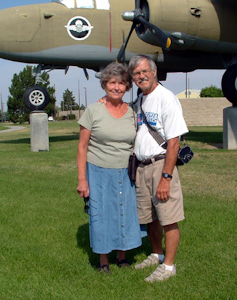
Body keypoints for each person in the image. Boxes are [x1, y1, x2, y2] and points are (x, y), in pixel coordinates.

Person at [76, 62, 142, 274]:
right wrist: (82, 180)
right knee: (101, 215)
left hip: (125, 172)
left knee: (123, 212)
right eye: (112, 83)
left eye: (121, 83)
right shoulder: (93, 110)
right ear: (105, 85)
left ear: (127, 86)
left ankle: (122, 256)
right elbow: (82, 147)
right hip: (97, 171)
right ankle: (103, 260)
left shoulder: (132, 112)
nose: (116, 87)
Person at [129, 55, 189, 282]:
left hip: (161, 165)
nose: (141, 76)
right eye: (136, 73)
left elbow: (174, 142)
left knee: (168, 218)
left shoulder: (166, 98)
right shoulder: (140, 101)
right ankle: (156, 253)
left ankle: (169, 266)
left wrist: (166, 177)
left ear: (154, 72)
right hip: (141, 168)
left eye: (145, 71)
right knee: (149, 218)